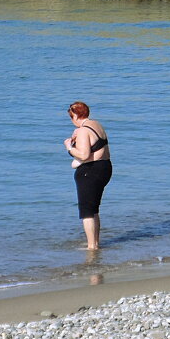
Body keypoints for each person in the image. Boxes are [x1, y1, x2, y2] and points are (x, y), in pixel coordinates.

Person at [64, 101, 112, 250]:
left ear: (77, 116)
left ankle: (92, 246)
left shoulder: (84, 130)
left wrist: (69, 147)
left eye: (72, 117)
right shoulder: (96, 124)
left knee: (87, 211)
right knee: (94, 209)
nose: (72, 121)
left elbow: (84, 155)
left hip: (91, 171)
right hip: (105, 167)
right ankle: (95, 243)